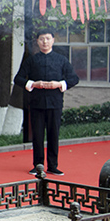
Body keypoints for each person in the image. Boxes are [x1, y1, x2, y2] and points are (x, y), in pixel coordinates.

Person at [13, 30, 79, 176]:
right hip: (36, 103)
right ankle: (38, 165)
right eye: (42, 39)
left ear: (53, 40)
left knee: (53, 134)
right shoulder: (31, 60)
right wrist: (33, 84)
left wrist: (59, 84)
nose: (45, 42)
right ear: (37, 41)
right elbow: (18, 79)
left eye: (48, 39)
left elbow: (74, 79)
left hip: (55, 103)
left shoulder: (61, 60)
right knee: (37, 135)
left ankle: (53, 165)